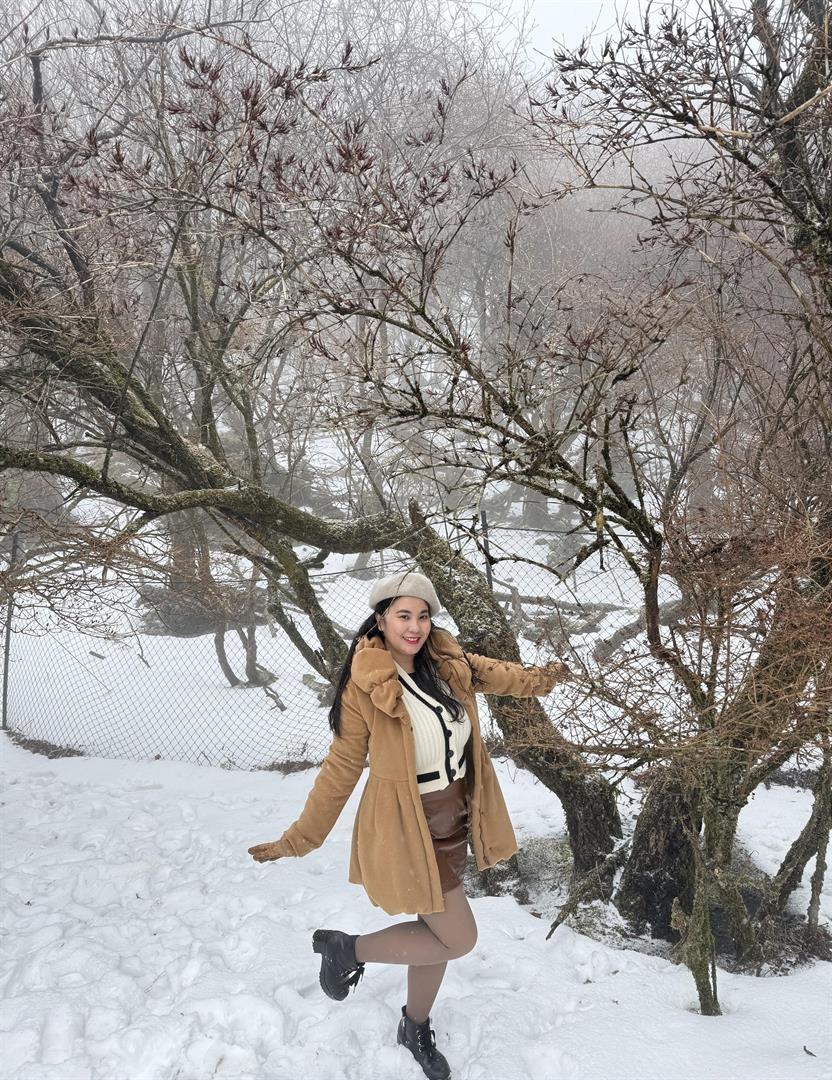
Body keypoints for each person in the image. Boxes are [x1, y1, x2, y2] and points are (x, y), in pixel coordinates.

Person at [248, 570, 570, 1080]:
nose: (415, 626)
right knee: (458, 937)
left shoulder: (448, 664)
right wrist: (299, 838)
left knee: (434, 933)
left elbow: (502, 675)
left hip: (454, 817)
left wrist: (546, 677)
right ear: (380, 620)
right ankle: (347, 948)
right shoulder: (367, 685)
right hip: (408, 825)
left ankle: (414, 1025)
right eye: (403, 616)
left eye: (423, 616)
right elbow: (342, 767)